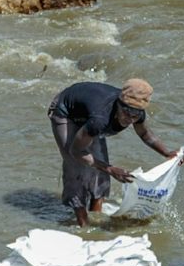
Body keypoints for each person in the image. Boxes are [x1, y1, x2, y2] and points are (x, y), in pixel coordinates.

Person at [48, 78, 176, 226]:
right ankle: (83, 225)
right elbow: (76, 151)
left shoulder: (136, 114)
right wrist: (110, 169)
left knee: (100, 166)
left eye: (134, 116)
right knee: (76, 167)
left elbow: (145, 134)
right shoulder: (100, 118)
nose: (129, 119)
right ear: (118, 105)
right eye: (126, 112)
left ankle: (96, 216)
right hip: (66, 111)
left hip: (89, 114)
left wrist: (168, 153)